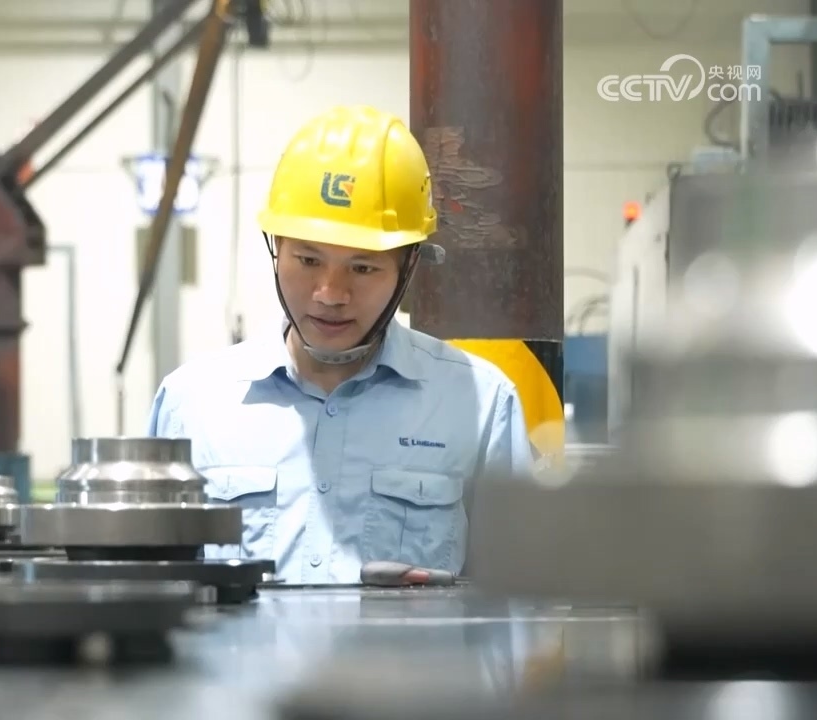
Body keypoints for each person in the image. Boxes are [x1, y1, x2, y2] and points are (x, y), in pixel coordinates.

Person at [146, 105, 534, 586]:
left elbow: (520, 598)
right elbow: (154, 590)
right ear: (276, 247)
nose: (330, 294)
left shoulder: (480, 404)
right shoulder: (191, 403)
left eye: (363, 267)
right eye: (308, 260)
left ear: (409, 266)